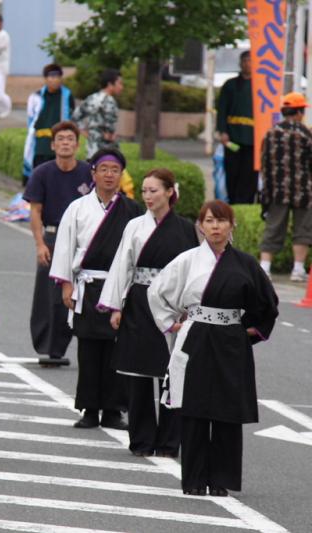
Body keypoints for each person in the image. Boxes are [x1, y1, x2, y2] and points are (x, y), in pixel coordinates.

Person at [148, 200, 278, 496]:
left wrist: (248, 332)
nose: (215, 227)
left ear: (232, 225)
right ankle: (193, 479)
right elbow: (157, 291)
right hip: (196, 338)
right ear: (200, 225)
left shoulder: (246, 264)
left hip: (232, 341)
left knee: (226, 413)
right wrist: (171, 323)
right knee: (194, 410)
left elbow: (267, 305)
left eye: (221, 221)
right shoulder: (188, 260)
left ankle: (221, 480)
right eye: (209, 221)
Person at [97, 169, 198, 457]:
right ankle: (141, 439)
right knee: (138, 373)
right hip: (140, 302)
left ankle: (169, 441)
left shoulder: (185, 229)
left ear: (169, 191)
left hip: (172, 305)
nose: (148, 196)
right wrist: (115, 305)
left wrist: (190, 309)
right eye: (144, 191)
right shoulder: (135, 226)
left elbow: (193, 272)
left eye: (154, 190)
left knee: (171, 372)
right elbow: (122, 265)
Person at [50, 148, 143, 429]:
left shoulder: (132, 210)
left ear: (121, 175)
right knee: (88, 348)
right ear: (93, 173)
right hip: (88, 285)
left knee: (117, 348)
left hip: (120, 286)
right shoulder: (77, 208)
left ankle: (114, 410)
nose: (109, 175)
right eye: (104, 169)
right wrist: (66, 284)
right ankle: (89, 409)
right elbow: (65, 247)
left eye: (115, 170)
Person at [23, 121, 92, 366]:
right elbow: (35, 211)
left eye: (70, 139)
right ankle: (49, 346)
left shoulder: (88, 173)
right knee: (49, 294)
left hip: (84, 240)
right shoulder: (42, 172)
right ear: (53, 144)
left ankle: (79, 343)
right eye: (60, 139)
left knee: (83, 292)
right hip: (52, 236)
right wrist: (40, 244)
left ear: (77, 144)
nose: (65, 143)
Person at [258, 92, 312, 283]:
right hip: (303, 190)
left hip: (275, 190)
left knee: (273, 227)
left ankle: (265, 268)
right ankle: (297, 270)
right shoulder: (306, 134)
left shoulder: (271, 133)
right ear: (298, 112)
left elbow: (263, 162)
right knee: (303, 229)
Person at [22, 63, 75, 185]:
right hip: (40, 142)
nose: (54, 80)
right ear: (45, 79)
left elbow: (71, 116)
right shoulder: (36, 96)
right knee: (39, 174)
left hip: (59, 141)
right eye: (51, 77)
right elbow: (31, 119)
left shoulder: (67, 95)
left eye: (57, 76)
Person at [216, 51, 257, 204]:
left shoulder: (260, 86)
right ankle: (232, 202)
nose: (248, 64)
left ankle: (246, 202)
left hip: (253, 138)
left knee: (250, 173)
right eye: (245, 60)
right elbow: (222, 110)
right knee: (232, 171)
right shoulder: (230, 85)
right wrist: (223, 131)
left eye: (251, 61)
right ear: (240, 63)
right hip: (233, 136)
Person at [72, 69, 124, 159]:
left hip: (92, 148)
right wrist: (110, 134)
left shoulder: (92, 98)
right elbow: (110, 129)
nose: (121, 87)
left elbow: (75, 116)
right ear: (110, 84)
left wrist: (85, 131)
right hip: (107, 150)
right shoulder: (110, 101)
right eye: (119, 83)